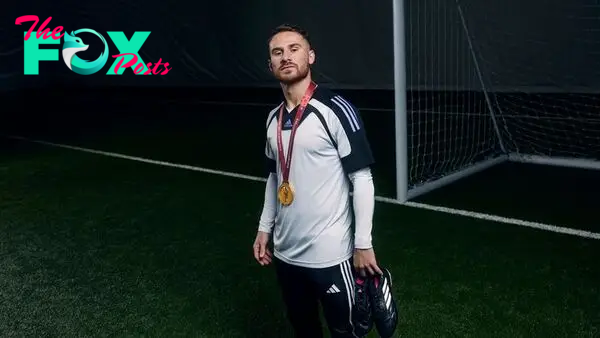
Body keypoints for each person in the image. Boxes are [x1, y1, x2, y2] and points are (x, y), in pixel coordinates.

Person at [252, 23, 381, 338]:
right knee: (304, 328)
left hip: (330, 253)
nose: (286, 57)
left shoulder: (335, 109)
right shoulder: (273, 119)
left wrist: (363, 243)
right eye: (277, 53)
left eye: (294, 49)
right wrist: (263, 228)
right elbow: (274, 177)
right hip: (286, 253)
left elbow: (362, 178)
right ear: (270, 66)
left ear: (310, 56)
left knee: (346, 331)